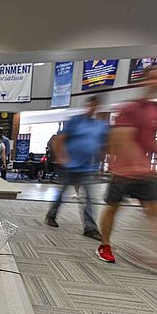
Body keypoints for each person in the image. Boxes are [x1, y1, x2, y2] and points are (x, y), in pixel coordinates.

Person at [97, 65, 157, 271]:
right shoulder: (130, 109)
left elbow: (149, 140)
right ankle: (104, 245)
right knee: (113, 209)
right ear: (144, 80)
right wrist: (137, 163)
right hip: (122, 172)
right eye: (154, 78)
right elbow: (122, 139)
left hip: (143, 172)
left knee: (155, 209)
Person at [45, 95, 108, 240]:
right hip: (70, 166)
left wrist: (101, 160)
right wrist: (61, 156)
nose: (93, 107)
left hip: (88, 169)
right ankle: (51, 215)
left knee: (90, 198)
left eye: (96, 105)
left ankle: (90, 228)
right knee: (61, 194)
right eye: (92, 104)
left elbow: (103, 144)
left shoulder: (99, 125)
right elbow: (58, 140)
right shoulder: (76, 121)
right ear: (88, 105)